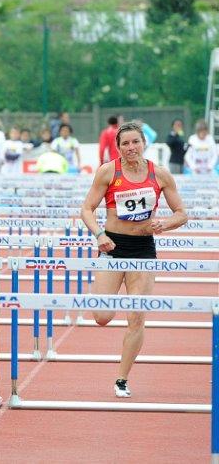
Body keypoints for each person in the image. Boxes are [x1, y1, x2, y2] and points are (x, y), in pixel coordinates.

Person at [80, 121, 187, 398]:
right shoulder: (108, 172)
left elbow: (181, 213)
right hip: (113, 246)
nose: (131, 148)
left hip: (143, 249)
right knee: (102, 316)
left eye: (135, 142)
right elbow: (87, 209)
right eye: (125, 143)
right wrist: (99, 234)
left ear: (144, 143)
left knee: (136, 317)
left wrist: (164, 225)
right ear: (118, 147)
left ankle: (121, 379)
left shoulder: (160, 175)